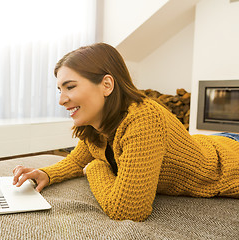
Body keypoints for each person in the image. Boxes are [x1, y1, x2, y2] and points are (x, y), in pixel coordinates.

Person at [12, 43, 239, 222]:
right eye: (60, 90)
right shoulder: (97, 123)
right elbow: (77, 161)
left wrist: (96, 168)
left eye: (70, 87)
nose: (61, 100)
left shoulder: (144, 117)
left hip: (229, 162)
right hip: (210, 141)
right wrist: (47, 174)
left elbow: (128, 210)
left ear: (107, 85)